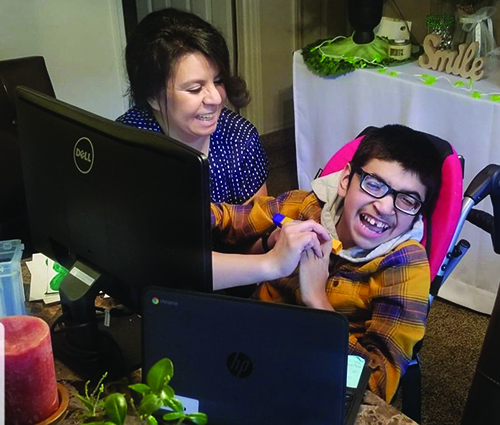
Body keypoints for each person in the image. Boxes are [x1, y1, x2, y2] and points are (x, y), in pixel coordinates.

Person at [210, 124, 442, 402]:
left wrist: (318, 301)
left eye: (407, 200)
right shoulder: (305, 208)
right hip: (248, 352)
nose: (384, 206)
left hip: (316, 384)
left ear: (418, 213)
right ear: (345, 179)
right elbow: (229, 218)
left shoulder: (405, 267)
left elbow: (377, 385)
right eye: (375, 184)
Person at [117, 8, 268, 204]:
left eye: (218, 81)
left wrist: (276, 234)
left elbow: (258, 224)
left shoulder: (240, 138)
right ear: (152, 96)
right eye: (195, 89)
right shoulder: (124, 147)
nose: (215, 98)